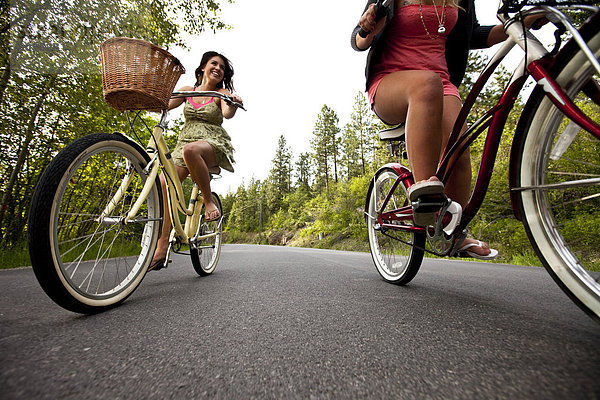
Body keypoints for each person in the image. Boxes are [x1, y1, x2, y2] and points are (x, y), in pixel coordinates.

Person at [351, 0, 519, 259]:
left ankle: (454, 233)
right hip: (390, 80)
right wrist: (368, 27)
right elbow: (359, 41)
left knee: (459, 150)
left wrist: (517, 27)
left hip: (441, 81)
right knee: (426, 84)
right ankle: (425, 193)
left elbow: (473, 34)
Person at [150, 51, 243, 271]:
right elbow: (163, 104)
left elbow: (227, 113)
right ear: (203, 67)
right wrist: (145, 99)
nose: (218, 68)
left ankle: (209, 200)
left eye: (222, 67)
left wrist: (234, 103)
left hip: (211, 142)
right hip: (184, 143)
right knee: (164, 183)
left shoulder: (221, 93)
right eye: (214, 64)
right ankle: (162, 244)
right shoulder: (186, 91)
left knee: (192, 151)